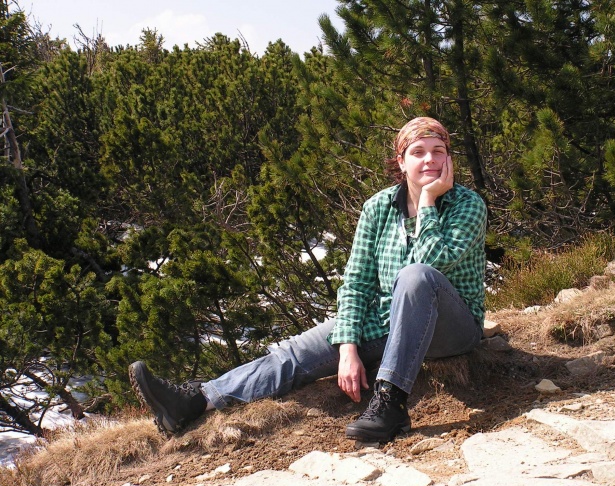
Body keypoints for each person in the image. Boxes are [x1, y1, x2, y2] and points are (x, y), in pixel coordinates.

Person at [129, 116, 487, 443]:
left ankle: (390, 403)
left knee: (416, 276)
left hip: (450, 329)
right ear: (401, 161)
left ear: (449, 159)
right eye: (418, 152)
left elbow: (430, 262)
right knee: (295, 354)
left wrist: (427, 202)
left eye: (438, 151)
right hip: (383, 322)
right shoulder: (378, 207)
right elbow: (357, 282)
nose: (429, 160)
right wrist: (348, 347)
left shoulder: (467, 205)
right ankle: (194, 402)